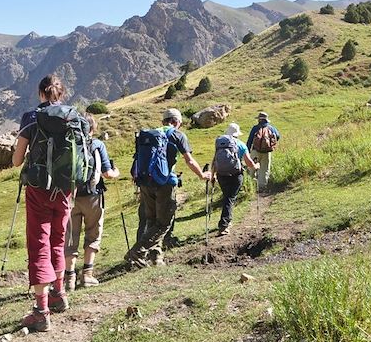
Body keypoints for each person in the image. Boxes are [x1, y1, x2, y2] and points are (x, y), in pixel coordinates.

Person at [12, 74, 77, 332]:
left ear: (41, 93)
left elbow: (17, 161)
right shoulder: (75, 116)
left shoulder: (31, 117)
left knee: (39, 242)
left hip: (39, 189)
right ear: (61, 94)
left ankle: (41, 311)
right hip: (65, 190)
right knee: (58, 241)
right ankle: (59, 294)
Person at [126, 108, 211, 267]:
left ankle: (156, 257)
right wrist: (202, 175)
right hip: (164, 183)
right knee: (164, 222)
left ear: (163, 121)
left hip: (145, 182)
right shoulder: (177, 135)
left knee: (151, 220)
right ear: (177, 122)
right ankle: (138, 250)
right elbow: (189, 161)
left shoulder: (149, 134)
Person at [64, 114, 119, 291]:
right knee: (93, 234)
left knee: (70, 237)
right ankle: (87, 275)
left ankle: (69, 279)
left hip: (70, 197)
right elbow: (107, 174)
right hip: (93, 196)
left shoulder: (68, 144)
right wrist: (116, 172)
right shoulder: (97, 144)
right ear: (93, 129)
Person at [212, 123, 259, 236]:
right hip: (235, 174)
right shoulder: (241, 145)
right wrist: (256, 166)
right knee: (230, 198)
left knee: (227, 197)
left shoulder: (220, 143)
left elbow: (215, 160)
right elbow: (248, 162)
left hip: (221, 174)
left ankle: (227, 221)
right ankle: (224, 225)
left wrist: (212, 174)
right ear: (237, 134)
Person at [246, 111, 281, 190]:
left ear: (259, 120)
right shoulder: (271, 128)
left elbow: (250, 140)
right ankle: (262, 187)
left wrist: (248, 151)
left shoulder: (255, 128)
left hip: (255, 151)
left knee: (252, 168)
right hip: (267, 152)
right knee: (264, 170)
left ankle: (251, 186)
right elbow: (278, 137)